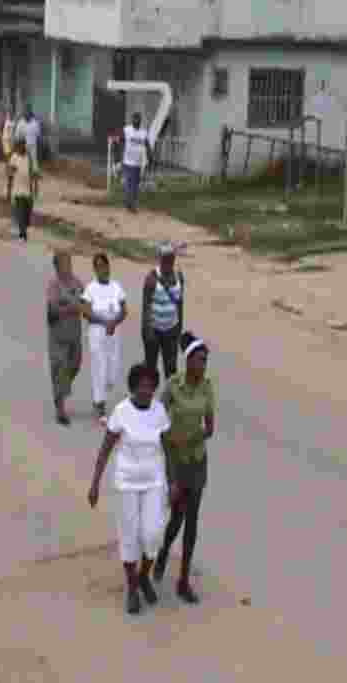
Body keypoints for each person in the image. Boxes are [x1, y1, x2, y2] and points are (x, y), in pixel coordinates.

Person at [88, 363, 171, 615]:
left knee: (153, 534)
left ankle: (144, 575)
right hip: (127, 483)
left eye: (150, 386)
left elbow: (168, 447)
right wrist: (95, 484)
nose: (146, 390)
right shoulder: (121, 412)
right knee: (130, 534)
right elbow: (105, 449)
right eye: (141, 386)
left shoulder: (159, 411)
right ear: (133, 387)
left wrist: (174, 479)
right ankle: (132, 587)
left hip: (154, 481)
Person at [154, 332, 215, 604]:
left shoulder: (207, 387)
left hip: (197, 461)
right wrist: (166, 439)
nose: (203, 365)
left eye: (205, 361)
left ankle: (183, 580)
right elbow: (155, 414)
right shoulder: (172, 386)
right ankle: (164, 550)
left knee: (193, 520)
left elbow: (210, 427)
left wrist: (197, 437)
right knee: (176, 517)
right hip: (175, 461)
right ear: (188, 360)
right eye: (199, 360)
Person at [82, 253, 127, 424]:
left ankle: (102, 395)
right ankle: (99, 405)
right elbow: (86, 311)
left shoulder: (116, 287)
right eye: (98, 267)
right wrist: (103, 321)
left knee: (112, 372)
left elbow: (124, 310)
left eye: (104, 266)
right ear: (95, 269)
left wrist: (114, 322)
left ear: (108, 267)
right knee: (99, 367)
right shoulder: (90, 288)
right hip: (97, 331)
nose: (102, 270)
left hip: (114, 331)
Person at [47, 250, 88, 426]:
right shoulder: (53, 286)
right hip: (58, 336)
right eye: (63, 264)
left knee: (76, 364)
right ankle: (60, 408)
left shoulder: (78, 283)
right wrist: (71, 308)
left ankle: (61, 390)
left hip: (75, 335)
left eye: (69, 263)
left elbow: (87, 303)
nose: (67, 268)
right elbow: (53, 310)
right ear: (56, 267)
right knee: (60, 368)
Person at [141, 242, 184, 380]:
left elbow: (180, 303)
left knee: (171, 369)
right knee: (150, 369)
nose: (169, 261)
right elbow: (146, 307)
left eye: (171, 257)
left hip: (172, 329)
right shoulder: (151, 279)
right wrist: (147, 333)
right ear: (160, 258)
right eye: (165, 258)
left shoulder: (179, 276)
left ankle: (169, 400)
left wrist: (179, 327)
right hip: (154, 330)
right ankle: (149, 398)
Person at [6, 139, 38, 241]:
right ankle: (22, 235)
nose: (22, 148)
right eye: (20, 146)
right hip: (18, 190)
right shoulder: (14, 158)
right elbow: (10, 175)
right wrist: (9, 190)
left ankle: (22, 229)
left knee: (28, 214)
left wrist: (35, 187)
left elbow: (33, 173)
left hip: (28, 190)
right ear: (17, 147)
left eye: (23, 145)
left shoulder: (29, 157)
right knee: (21, 212)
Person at [121, 112, 153, 213]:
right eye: (134, 119)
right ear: (132, 120)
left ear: (140, 121)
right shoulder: (126, 130)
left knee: (135, 185)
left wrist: (150, 158)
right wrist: (119, 157)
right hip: (127, 161)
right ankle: (129, 202)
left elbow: (147, 146)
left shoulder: (143, 132)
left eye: (138, 119)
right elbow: (121, 142)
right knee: (128, 183)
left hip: (138, 163)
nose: (136, 121)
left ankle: (131, 203)